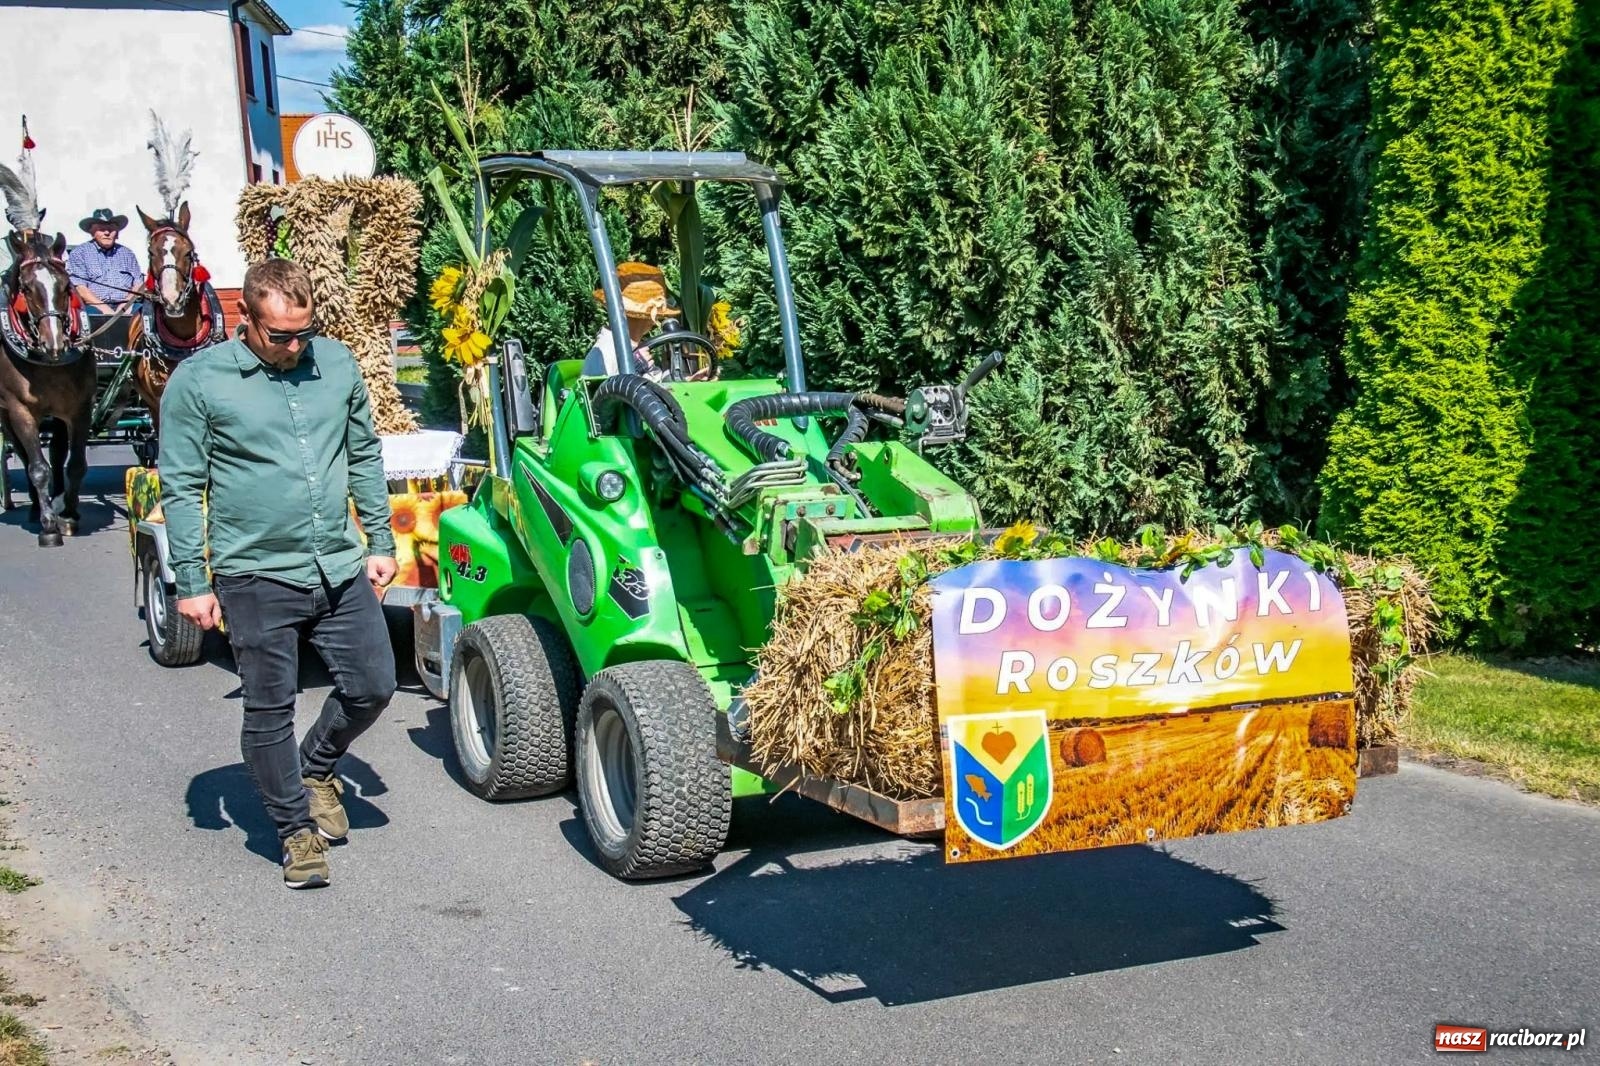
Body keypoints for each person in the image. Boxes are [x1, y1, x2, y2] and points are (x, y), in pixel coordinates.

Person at [158, 258, 398, 890]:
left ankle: (315, 766)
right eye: (281, 336)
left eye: (304, 333)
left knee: (374, 685)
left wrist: (379, 539)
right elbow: (181, 485)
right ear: (245, 318)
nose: (295, 347)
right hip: (255, 570)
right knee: (270, 710)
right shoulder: (199, 381)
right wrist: (192, 581)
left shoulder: (336, 364)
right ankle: (295, 830)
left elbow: (363, 453)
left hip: (337, 563)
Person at [582, 261, 714, 381]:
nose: (656, 320)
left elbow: (658, 387)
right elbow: (596, 396)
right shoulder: (604, 352)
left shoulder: (637, 348)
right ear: (649, 318)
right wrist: (632, 369)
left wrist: (691, 380)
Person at [66, 208, 141, 317]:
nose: (107, 233)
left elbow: (138, 283)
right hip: (95, 307)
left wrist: (126, 305)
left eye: (111, 229)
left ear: (117, 233)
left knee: (146, 313)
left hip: (127, 306)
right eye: (101, 229)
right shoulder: (79, 253)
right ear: (92, 232)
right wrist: (106, 310)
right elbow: (80, 288)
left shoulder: (127, 253)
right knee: (84, 316)